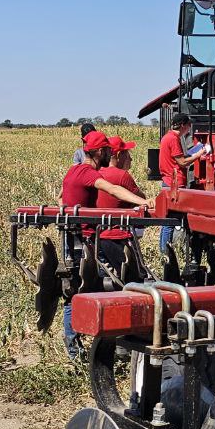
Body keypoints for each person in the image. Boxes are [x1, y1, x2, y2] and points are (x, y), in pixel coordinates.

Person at [60, 130, 154, 359]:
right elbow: (112, 188)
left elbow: (61, 199)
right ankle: (108, 343)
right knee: (96, 288)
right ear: (100, 152)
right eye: (108, 151)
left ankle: (78, 347)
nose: (111, 153)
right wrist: (145, 202)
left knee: (76, 288)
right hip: (85, 240)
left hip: (74, 237)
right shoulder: (86, 172)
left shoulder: (73, 170)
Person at [158, 113, 208, 254]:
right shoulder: (173, 139)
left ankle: (164, 251)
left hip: (168, 182)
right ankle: (165, 252)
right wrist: (199, 154)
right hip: (174, 184)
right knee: (171, 221)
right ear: (182, 125)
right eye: (188, 125)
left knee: (167, 221)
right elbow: (182, 162)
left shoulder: (167, 137)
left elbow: (178, 158)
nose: (189, 128)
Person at [94, 136, 144, 271]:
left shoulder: (97, 173)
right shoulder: (122, 176)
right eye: (127, 154)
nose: (130, 159)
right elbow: (141, 199)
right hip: (119, 237)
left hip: (98, 237)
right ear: (118, 154)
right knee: (135, 276)